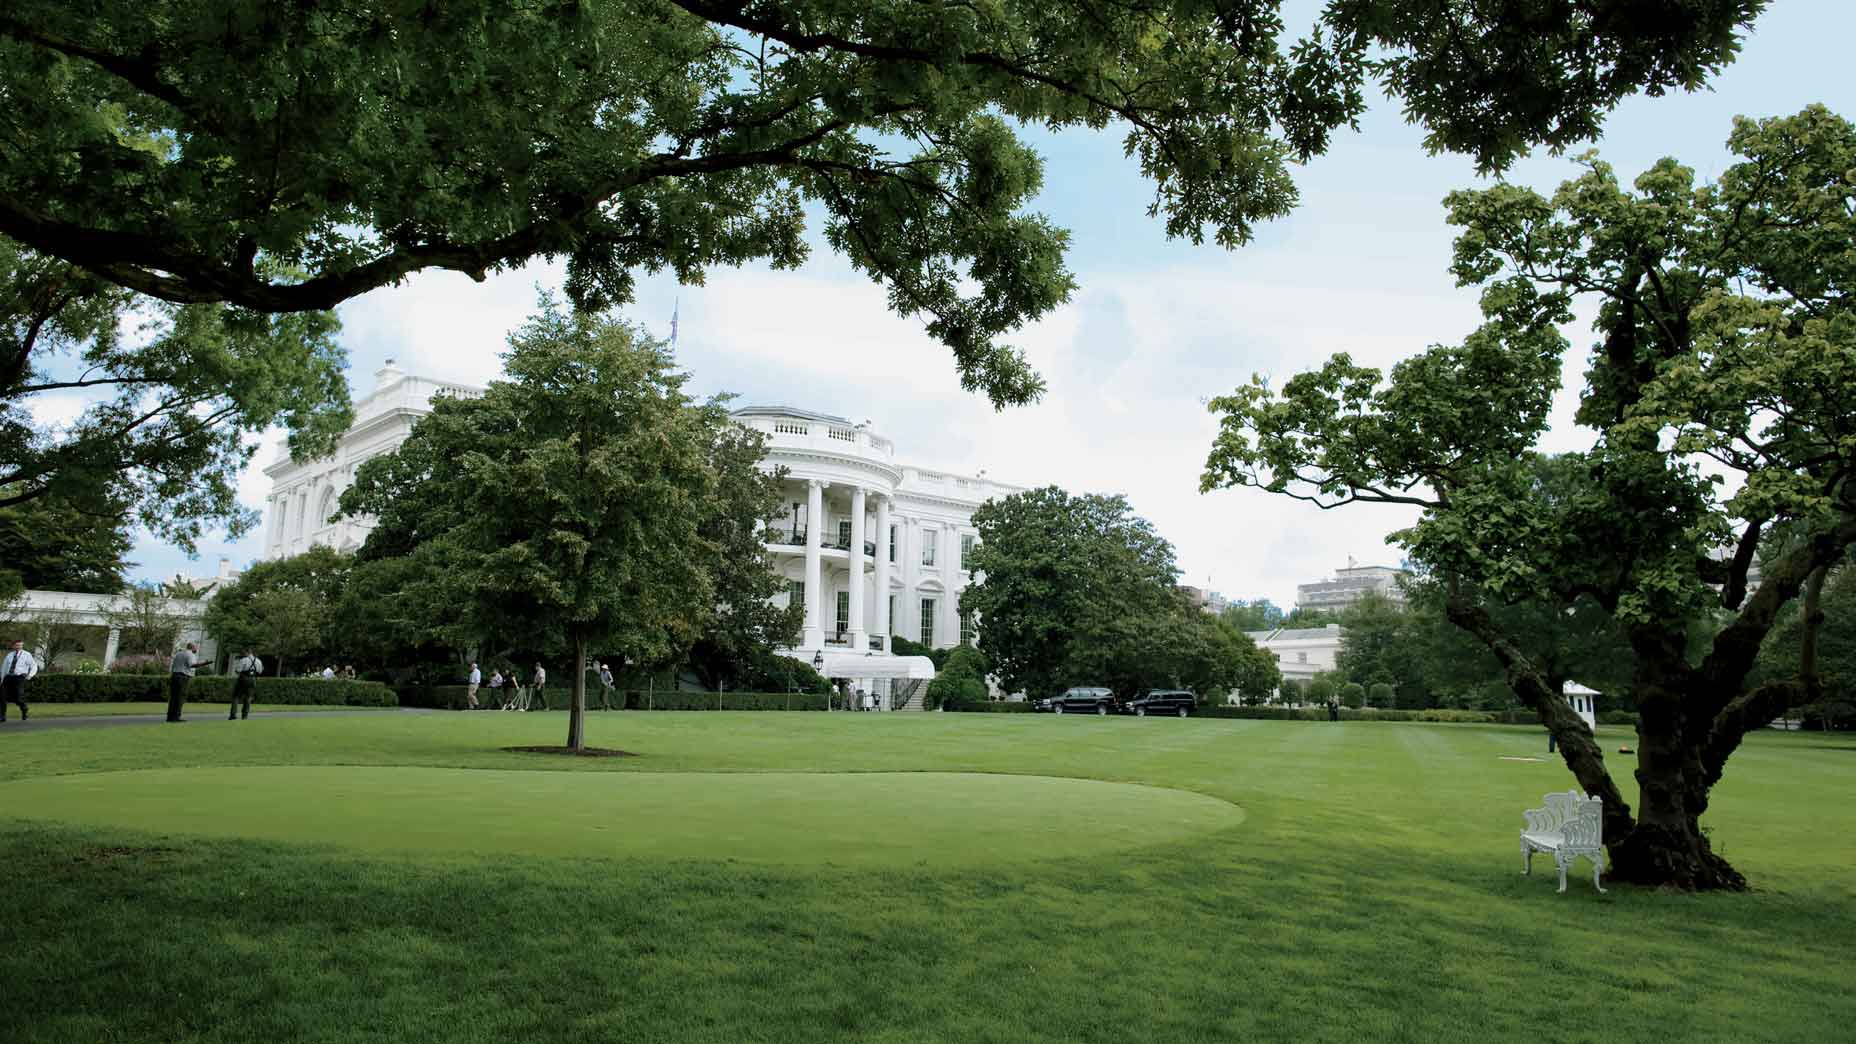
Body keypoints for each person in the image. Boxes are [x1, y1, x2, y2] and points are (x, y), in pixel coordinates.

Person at [1, 639, 38, 722]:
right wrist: (1, 679)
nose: (18, 647)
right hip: (8, 678)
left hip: (19, 678)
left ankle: (24, 709)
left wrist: (30, 675)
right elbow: (3, 668)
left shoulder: (27, 655)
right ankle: (2, 716)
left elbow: (34, 665)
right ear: (13, 646)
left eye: (20, 645)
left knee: (18, 698)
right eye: (17, 645)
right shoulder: (9, 655)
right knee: (2, 697)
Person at [167, 642, 205, 722]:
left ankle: (170, 717)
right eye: (196, 648)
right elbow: (192, 665)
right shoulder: (190, 654)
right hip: (183, 677)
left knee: (173, 697)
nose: (197, 649)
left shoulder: (179, 654)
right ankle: (176, 717)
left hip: (174, 675)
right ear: (192, 648)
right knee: (180, 697)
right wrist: (203, 663)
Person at [230, 648, 263, 720]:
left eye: (244, 652)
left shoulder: (244, 660)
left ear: (247, 652)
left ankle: (233, 715)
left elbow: (238, 670)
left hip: (243, 679)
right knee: (248, 698)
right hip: (252, 680)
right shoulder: (258, 661)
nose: (243, 654)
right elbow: (260, 672)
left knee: (236, 696)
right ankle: (245, 716)